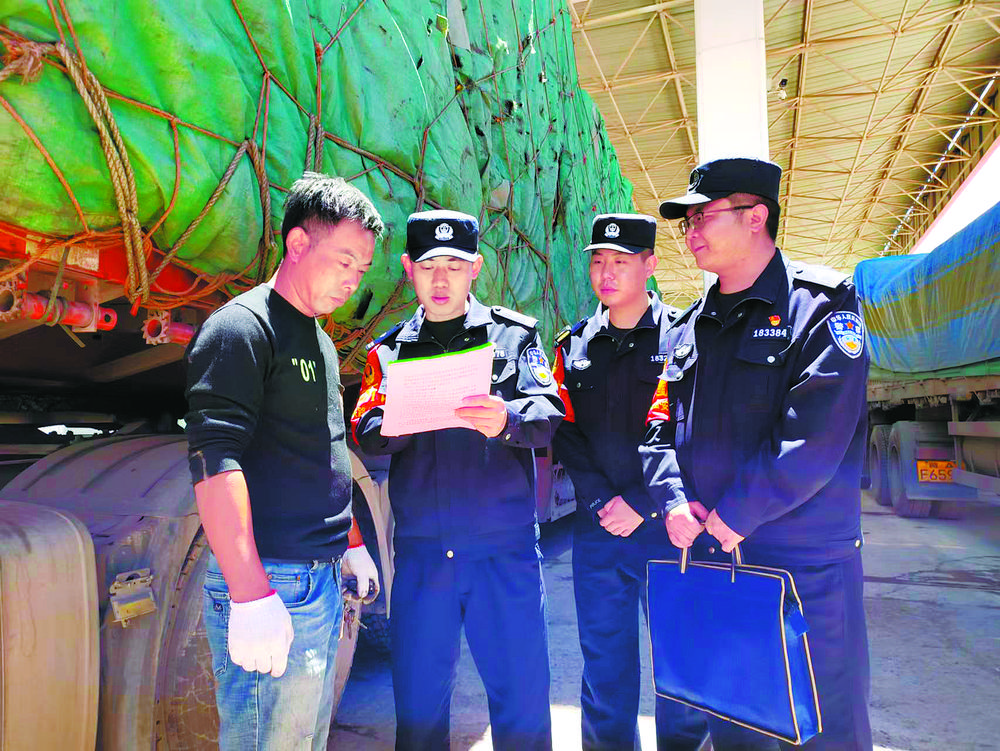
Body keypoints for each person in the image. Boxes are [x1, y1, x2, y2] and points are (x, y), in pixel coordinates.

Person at [641, 157, 873, 750]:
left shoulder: (820, 307)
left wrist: (737, 512)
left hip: (802, 567)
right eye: (686, 220)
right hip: (717, 559)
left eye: (703, 215)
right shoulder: (687, 328)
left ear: (755, 217)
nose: (690, 230)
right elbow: (658, 427)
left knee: (822, 727)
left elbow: (815, 437)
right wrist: (672, 500)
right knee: (738, 725)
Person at [185, 172, 384, 750]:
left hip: (316, 578)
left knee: (301, 741)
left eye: (361, 269)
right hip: (272, 580)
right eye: (343, 261)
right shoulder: (242, 329)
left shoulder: (319, 341)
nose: (352, 281)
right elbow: (213, 457)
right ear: (297, 242)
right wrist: (249, 593)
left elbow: (321, 453)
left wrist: (350, 543)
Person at [351, 209, 562, 751]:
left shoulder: (513, 337)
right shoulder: (390, 351)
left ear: (476, 268)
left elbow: (548, 412)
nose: (440, 280)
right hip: (425, 560)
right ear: (408, 269)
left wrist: (506, 419)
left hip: (503, 556)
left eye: (454, 265)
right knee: (419, 713)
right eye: (427, 267)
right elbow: (365, 427)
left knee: (522, 710)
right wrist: (402, 419)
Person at [551, 214, 707, 751]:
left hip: (671, 528)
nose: (607, 272)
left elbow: (693, 432)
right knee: (605, 666)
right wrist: (602, 500)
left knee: (680, 665)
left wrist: (644, 503)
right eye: (598, 260)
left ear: (650, 265)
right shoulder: (573, 345)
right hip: (600, 529)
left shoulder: (686, 338)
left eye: (620, 261)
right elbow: (565, 431)